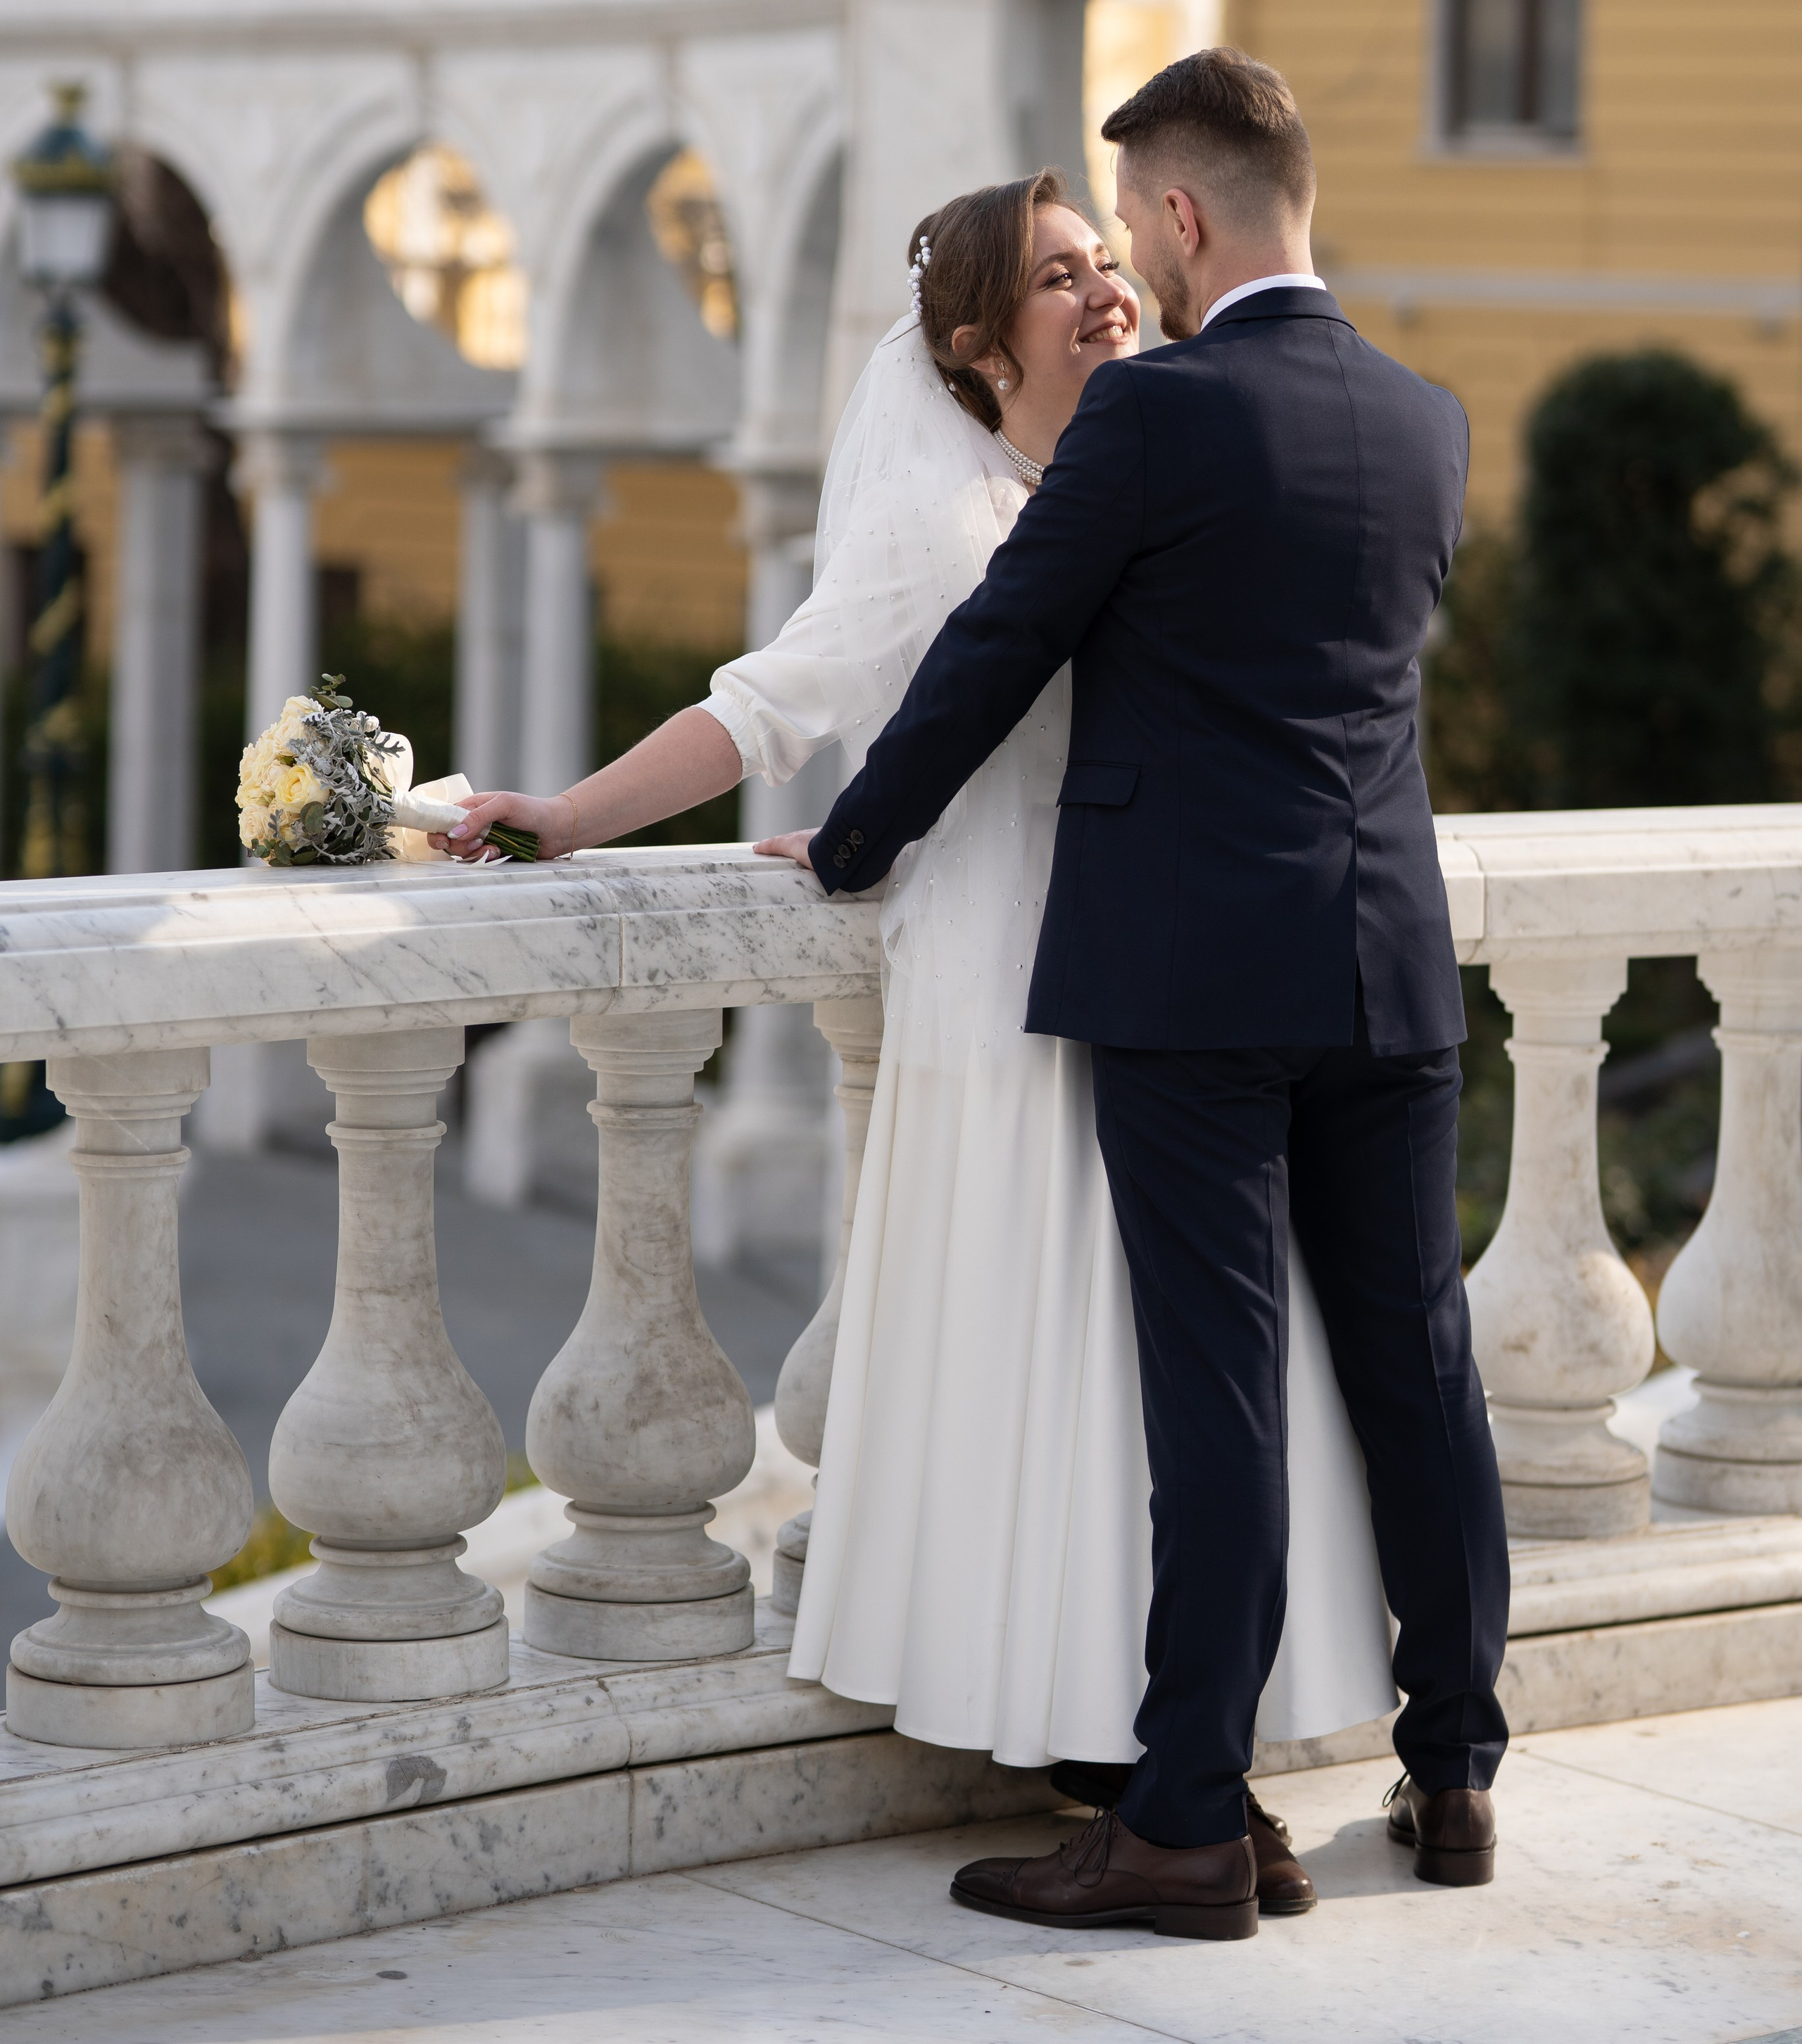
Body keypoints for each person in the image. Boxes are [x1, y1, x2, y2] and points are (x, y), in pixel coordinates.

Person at [439, 160, 1404, 1922]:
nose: (1107, 290)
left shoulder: (1115, 478)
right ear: (970, 347)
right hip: (1009, 992)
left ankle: (1187, 1772)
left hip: (1133, 981)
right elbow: (768, 703)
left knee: (1141, 1382)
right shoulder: (935, 523)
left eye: (1108, 258)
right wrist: (564, 820)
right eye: (1059, 276)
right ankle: (1136, 1766)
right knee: (1064, 1367)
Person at [802, 50, 1511, 1943]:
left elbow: (994, 652)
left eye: (1135, 234)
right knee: (1417, 1367)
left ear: (1185, 217)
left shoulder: (1158, 419)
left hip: (1194, 976)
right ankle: (1455, 1768)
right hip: (1389, 964)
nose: (1137, 272)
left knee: (1217, 1401)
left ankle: (1186, 1818)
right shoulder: (1428, 421)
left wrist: (854, 844)